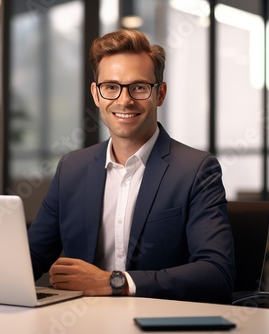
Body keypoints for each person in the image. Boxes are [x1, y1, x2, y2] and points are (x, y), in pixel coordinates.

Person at [27, 29, 235, 304]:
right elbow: (30, 257)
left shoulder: (196, 170)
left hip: (157, 322)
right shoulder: (71, 168)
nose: (124, 100)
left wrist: (114, 282)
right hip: (78, 322)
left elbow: (216, 274)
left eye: (138, 87)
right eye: (111, 87)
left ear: (159, 94)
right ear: (96, 95)